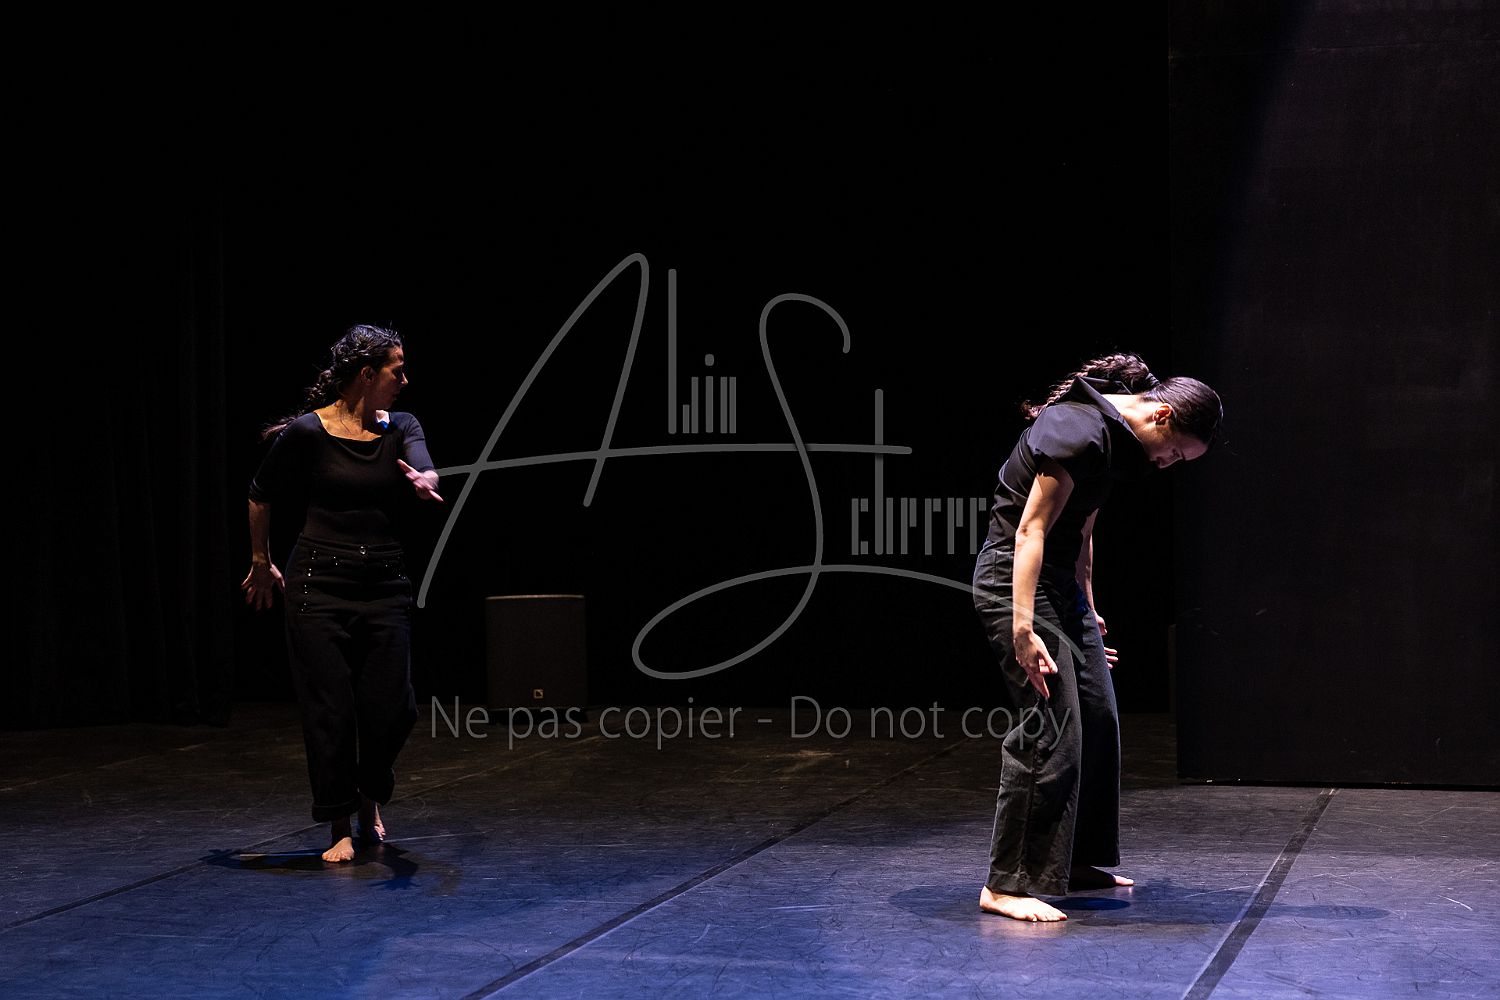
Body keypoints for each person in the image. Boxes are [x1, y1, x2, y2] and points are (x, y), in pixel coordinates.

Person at [971, 352, 1222, 921]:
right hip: (1014, 580)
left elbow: (1084, 528)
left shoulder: (1118, 445)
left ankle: (1074, 862)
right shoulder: (1077, 429)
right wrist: (1022, 628)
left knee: (1098, 717)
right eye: (1176, 453)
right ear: (1162, 416)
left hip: (1059, 585)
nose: (1169, 464)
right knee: (1052, 725)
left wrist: (1086, 606)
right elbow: (1030, 531)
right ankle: (1006, 883)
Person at [241, 324, 444, 863]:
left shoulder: (401, 425)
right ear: (367, 375)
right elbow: (260, 494)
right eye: (397, 370)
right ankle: (339, 823)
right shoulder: (309, 432)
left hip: (384, 584)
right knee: (330, 709)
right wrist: (261, 562)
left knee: (395, 707)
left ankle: (369, 793)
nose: (405, 379)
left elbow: (425, 464)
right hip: (318, 585)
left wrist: (426, 479)